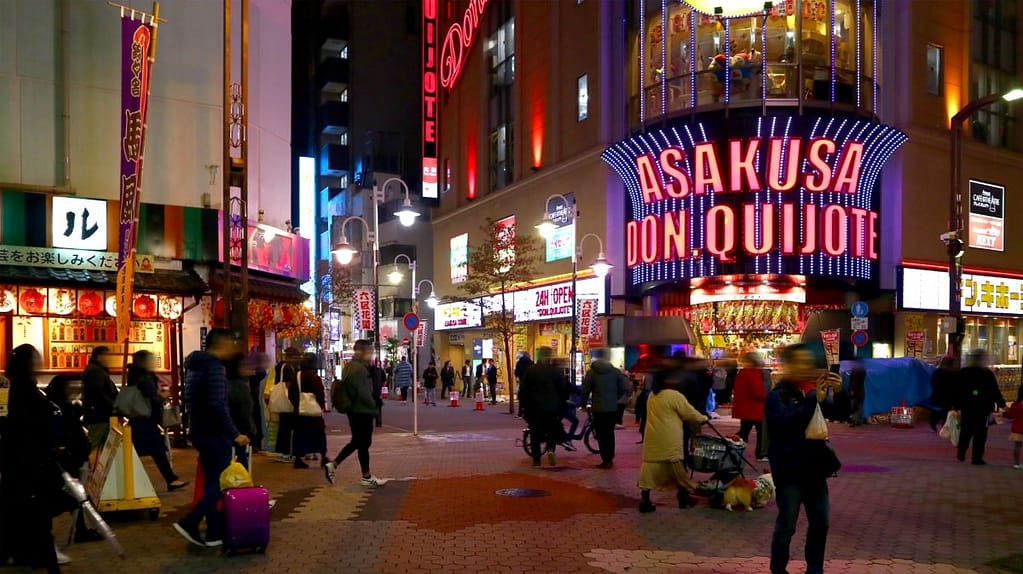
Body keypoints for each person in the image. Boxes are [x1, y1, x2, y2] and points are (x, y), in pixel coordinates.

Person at [765, 343, 842, 574]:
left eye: (808, 362)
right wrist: (812, 401)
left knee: (821, 523)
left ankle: (815, 569)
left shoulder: (808, 392)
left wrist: (840, 393)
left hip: (814, 471)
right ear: (787, 365)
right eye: (800, 361)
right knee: (787, 526)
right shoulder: (776, 396)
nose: (805, 366)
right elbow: (788, 426)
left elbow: (839, 413)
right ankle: (778, 569)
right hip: (789, 472)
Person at [174, 329, 249, 549]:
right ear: (221, 343)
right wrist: (235, 434)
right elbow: (218, 405)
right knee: (220, 482)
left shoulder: (195, 367)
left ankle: (214, 532)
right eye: (231, 342)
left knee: (211, 482)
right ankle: (191, 521)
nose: (232, 347)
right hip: (215, 433)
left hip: (199, 430)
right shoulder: (214, 367)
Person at [0, 345, 66, 572]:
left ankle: (22, 554)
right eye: (35, 360)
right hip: (31, 465)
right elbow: (33, 427)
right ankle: (46, 564)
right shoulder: (26, 391)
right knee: (37, 519)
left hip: (21, 465)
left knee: (20, 516)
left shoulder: (18, 388)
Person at [636, 364, 708, 513]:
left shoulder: (652, 395)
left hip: (653, 439)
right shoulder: (674, 396)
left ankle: (645, 499)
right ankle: (683, 497)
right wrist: (703, 418)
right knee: (677, 469)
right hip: (670, 438)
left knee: (650, 470)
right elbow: (689, 413)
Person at [126, 350, 188, 491]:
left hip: (139, 418)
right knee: (156, 450)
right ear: (143, 362)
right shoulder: (144, 377)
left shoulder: (134, 375)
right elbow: (152, 398)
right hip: (145, 419)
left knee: (152, 451)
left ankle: (170, 479)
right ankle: (169, 480)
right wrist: (163, 395)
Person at [324, 340, 383, 487]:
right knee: (362, 442)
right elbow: (363, 393)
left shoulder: (350, 367)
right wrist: (375, 405)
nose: (371, 355)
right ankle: (365, 476)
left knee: (360, 442)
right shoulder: (359, 369)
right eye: (369, 351)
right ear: (362, 352)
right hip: (361, 410)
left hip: (355, 410)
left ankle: (340, 466)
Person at [952, 349, 1006, 465]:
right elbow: (994, 391)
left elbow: (956, 390)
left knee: (966, 430)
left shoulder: (964, 372)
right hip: (984, 408)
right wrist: (1002, 404)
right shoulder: (987, 373)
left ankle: (961, 451)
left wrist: (956, 405)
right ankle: (976, 457)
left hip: (967, 407)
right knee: (981, 433)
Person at [581, 349, 631, 469]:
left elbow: (586, 390)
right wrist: (616, 398)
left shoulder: (592, 372)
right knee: (609, 433)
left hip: (598, 408)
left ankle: (605, 459)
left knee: (601, 434)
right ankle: (609, 458)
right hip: (612, 408)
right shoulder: (615, 372)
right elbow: (625, 388)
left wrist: (583, 404)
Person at [519, 347, 568, 467]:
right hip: (552, 408)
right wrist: (561, 405)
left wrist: (524, 406)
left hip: (534, 408)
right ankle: (551, 449)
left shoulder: (531, 370)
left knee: (535, 433)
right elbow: (563, 390)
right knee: (552, 429)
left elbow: (523, 391)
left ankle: (536, 460)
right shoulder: (555, 371)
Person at [291, 353, 328, 469]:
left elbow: (291, 393)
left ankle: (298, 457)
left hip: (299, 411)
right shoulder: (313, 377)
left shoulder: (297, 375)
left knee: (300, 434)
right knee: (318, 433)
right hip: (313, 412)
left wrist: (296, 404)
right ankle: (323, 456)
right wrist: (321, 405)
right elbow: (320, 393)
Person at [732, 352, 769, 461]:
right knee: (761, 433)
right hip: (756, 407)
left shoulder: (742, 373)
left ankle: (734, 449)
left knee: (744, 431)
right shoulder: (754, 373)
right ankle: (760, 454)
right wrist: (767, 396)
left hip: (745, 408)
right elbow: (758, 392)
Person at [81, 346, 118, 451]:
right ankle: (79, 463)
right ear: (100, 356)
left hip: (98, 414)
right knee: (94, 443)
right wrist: (113, 405)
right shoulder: (96, 372)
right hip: (100, 414)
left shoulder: (94, 370)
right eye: (107, 356)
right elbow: (97, 394)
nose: (109, 359)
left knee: (105, 445)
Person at [226, 353, 258, 469]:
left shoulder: (224, 383)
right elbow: (245, 412)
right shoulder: (239, 387)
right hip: (239, 431)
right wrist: (251, 431)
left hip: (225, 432)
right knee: (239, 464)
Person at [928, 356, 957, 432]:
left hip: (938, 394)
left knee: (939, 410)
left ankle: (934, 422)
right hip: (948, 395)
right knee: (945, 410)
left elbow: (932, 382)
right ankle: (942, 424)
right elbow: (954, 385)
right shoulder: (952, 373)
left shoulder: (938, 372)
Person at [1002, 386, 1023, 469]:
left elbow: (1010, 415)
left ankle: (1016, 463)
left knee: (1017, 446)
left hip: (1018, 428)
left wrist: (1003, 414)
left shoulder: (1016, 405)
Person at [848, 360, 867, 427]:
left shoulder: (855, 370)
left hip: (855, 391)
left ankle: (855, 420)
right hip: (861, 391)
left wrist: (852, 390)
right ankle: (859, 421)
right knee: (859, 406)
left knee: (854, 406)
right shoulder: (862, 370)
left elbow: (854, 381)